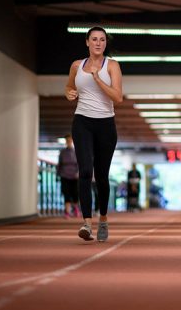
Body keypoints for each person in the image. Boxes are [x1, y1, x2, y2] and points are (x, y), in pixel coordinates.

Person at [65, 26, 123, 242]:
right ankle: (87, 224)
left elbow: (118, 97)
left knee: (101, 176)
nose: (98, 43)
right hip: (82, 121)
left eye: (102, 40)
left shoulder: (112, 66)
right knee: (85, 171)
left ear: (105, 43)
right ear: (87, 42)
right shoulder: (76, 66)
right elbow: (69, 87)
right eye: (94, 39)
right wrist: (69, 93)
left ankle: (104, 220)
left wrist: (98, 79)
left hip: (106, 124)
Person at [57, 134, 79, 218]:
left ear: (72, 141)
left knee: (75, 193)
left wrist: (78, 173)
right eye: (67, 140)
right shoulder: (62, 152)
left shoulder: (76, 151)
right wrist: (58, 174)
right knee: (66, 193)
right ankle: (67, 211)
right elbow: (59, 164)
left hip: (74, 176)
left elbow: (79, 164)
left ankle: (76, 209)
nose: (68, 142)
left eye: (70, 140)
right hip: (64, 175)